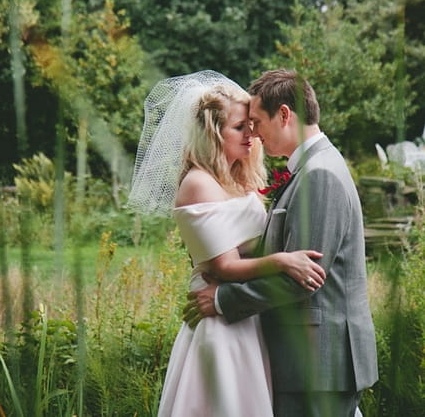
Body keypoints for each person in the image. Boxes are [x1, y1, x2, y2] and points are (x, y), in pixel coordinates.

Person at [127, 70, 326, 417]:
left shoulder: (236, 179)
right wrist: (283, 261)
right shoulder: (199, 184)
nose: (252, 134)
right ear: (212, 133)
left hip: (245, 314)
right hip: (221, 323)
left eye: (251, 124)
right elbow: (224, 266)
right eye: (239, 127)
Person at [184, 69, 378, 417]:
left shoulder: (318, 174)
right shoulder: (312, 168)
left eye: (257, 121)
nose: (254, 132)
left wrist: (223, 300)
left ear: (285, 114)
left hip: (319, 361)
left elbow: (301, 279)